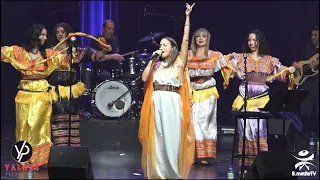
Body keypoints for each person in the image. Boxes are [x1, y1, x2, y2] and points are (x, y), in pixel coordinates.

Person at [1, 23, 74, 167]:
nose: (45, 38)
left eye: (46, 35)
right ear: (35, 35)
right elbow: (3, 52)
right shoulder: (19, 53)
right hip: (23, 96)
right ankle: (24, 158)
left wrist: (72, 52)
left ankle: (37, 160)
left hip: (41, 97)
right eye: (43, 34)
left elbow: (66, 61)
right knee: (23, 128)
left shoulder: (48, 55)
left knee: (38, 128)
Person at [221, 30, 296, 167]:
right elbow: (225, 61)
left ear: (260, 41)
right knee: (246, 130)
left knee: (260, 129)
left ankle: (260, 162)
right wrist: (222, 61)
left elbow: (282, 71)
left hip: (262, 101)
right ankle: (247, 162)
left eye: (254, 40)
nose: (251, 43)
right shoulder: (241, 58)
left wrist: (290, 70)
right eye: (249, 40)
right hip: (245, 99)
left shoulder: (269, 60)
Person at [138, 3, 195, 179]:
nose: (161, 47)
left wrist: (187, 17)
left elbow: (186, 40)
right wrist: (151, 59)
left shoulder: (179, 62)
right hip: (157, 101)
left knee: (171, 138)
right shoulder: (155, 64)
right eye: (160, 44)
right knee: (158, 138)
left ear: (172, 48)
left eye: (165, 45)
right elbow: (144, 78)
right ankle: (158, 173)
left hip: (172, 101)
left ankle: (172, 173)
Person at [48, 22, 111, 146]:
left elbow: (94, 57)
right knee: (58, 118)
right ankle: (60, 147)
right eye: (58, 32)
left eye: (62, 32)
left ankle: (73, 147)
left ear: (68, 33)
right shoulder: (50, 51)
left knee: (72, 117)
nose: (60, 34)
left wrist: (104, 51)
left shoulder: (76, 51)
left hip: (72, 90)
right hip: (56, 90)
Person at [186, 28, 227, 165]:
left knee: (205, 123)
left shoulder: (214, 55)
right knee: (192, 122)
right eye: (198, 36)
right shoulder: (187, 54)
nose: (201, 38)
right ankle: (192, 154)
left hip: (207, 92)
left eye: (204, 36)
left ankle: (205, 155)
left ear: (208, 38)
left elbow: (228, 63)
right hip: (192, 91)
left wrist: (226, 62)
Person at [293, 25, 319, 138]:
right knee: (305, 112)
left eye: (315, 35)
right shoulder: (307, 48)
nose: (312, 37)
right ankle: (305, 137)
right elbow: (298, 61)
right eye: (312, 35)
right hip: (307, 83)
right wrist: (295, 64)